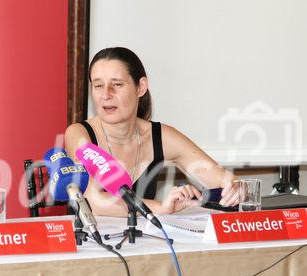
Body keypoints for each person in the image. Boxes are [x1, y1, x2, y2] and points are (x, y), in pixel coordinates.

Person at [65, 47, 239, 217]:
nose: (106, 94)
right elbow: (90, 199)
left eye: (117, 84)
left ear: (141, 87)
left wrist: (238, 189)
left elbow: (226, 181)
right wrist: (160, 207)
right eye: (98, 86)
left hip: (145, 243)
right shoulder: (79, 133)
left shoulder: (160, 136)